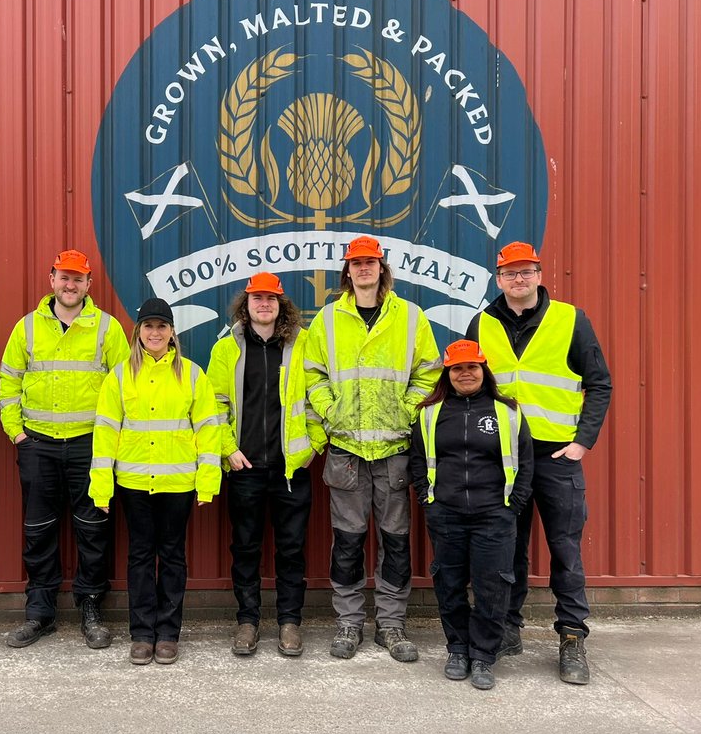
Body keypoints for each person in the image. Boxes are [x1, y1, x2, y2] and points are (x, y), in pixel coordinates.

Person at [466, 241, 612, 684]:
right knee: (505, 547)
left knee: (565, 549)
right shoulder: (482, 323)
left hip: (555, 455)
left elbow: (599, 383)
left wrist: (582, 443)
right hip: (502, 457)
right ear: (499, 278)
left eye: (526, 272)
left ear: (539, 274)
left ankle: (571, 637)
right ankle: (507, 628)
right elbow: (468, 385)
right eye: (510, 273)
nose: (518, 279)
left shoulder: (570, 320)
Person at [304, 235, 441, 662]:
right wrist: (333, 413)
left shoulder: (411, 317)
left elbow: (429, 374)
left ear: (383, 268)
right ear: (347, 271)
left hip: (395, 450)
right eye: (356, 263)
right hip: (346, 450)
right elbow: (312, 376)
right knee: (347, 540)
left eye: (371, 262)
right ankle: (348, 623)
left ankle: (391, 624)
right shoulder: (327, 319)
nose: (364, 269)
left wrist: (404, 413)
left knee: (395, 541)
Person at [0, 249, 129, 649]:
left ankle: (91, 608)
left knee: (93, 531)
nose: (70, 285)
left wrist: (111, 445)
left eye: (78, 278)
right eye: (63, 277)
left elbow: (126, 388)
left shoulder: (108, 329)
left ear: (89, 284)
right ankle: (40, 613)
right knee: (38, 531)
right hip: (38, 445)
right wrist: (17, 434)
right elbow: (8, 386)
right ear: (51, 279)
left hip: (90, 447)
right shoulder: (27, 328)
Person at [90, 297, 221, 665]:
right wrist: (101, 487)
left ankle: (168, 633)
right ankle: (142, 634)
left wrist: (208, 482)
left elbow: (209, 431)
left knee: (174, 557)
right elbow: (105, 433)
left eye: (161, 326)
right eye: (148, 326)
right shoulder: (119, 375)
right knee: (140, 557)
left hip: (178, 485)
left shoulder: (192, 375)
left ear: (172, 333)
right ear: (138, 332)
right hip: (133, 484)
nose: (155, 333)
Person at [206, 272, 325, 657]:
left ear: (281, 304)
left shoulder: (303, 344)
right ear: (246, 303)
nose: (263, 304)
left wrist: (312, 447)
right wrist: (228, 450)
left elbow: (318, 400)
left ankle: (290, 623)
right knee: (245, 547)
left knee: (291, 549)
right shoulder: (226, 349)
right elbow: (215, 407)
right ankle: (248, 622)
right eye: (257, 298)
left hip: (292, 469)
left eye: (270, 299)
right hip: (245, 468)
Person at [409, 339, 534, 690]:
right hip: (445, 514)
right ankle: (458, 649)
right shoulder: (430, 413)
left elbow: (525, 463)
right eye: (457, 368)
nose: (465, 373)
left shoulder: (507, 411)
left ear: (484, 371)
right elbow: (418, 461)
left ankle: (483, 656)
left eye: (472, 367)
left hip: (494, 516)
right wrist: (427, 499)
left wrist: (514, 504)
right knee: (449, 585)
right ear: (447, 373)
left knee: (491, 588)